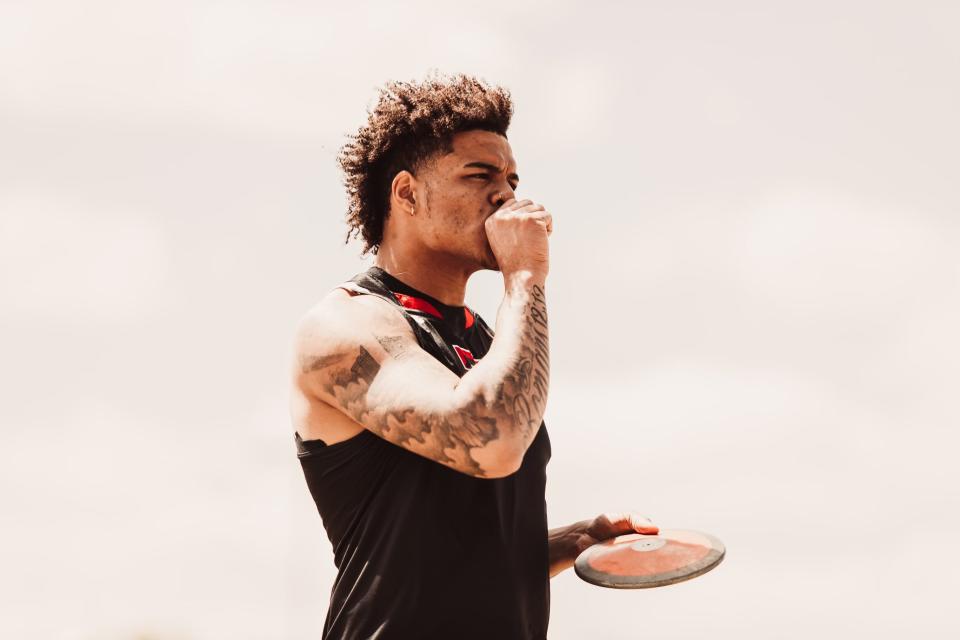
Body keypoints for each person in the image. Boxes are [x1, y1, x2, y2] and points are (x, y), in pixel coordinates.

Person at [290, 74, 658, 640]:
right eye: (479, 176)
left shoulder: (491, 338)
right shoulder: (347, 325)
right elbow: (491, 438)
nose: (507, 196)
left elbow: (447, 549)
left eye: (511, 180)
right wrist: (526, 274)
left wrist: (568, 542)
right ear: (408, 195)